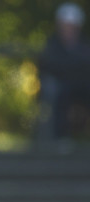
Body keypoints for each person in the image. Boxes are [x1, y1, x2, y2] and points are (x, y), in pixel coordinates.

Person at [37, 2, 90, 149]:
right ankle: (61, 139)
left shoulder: (84, 45)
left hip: (82, 85)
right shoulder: (52, 45)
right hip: (62, 86)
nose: (69, 29)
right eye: (66, 25)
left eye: (72, 26)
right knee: (60, 96)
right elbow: (48, 67)